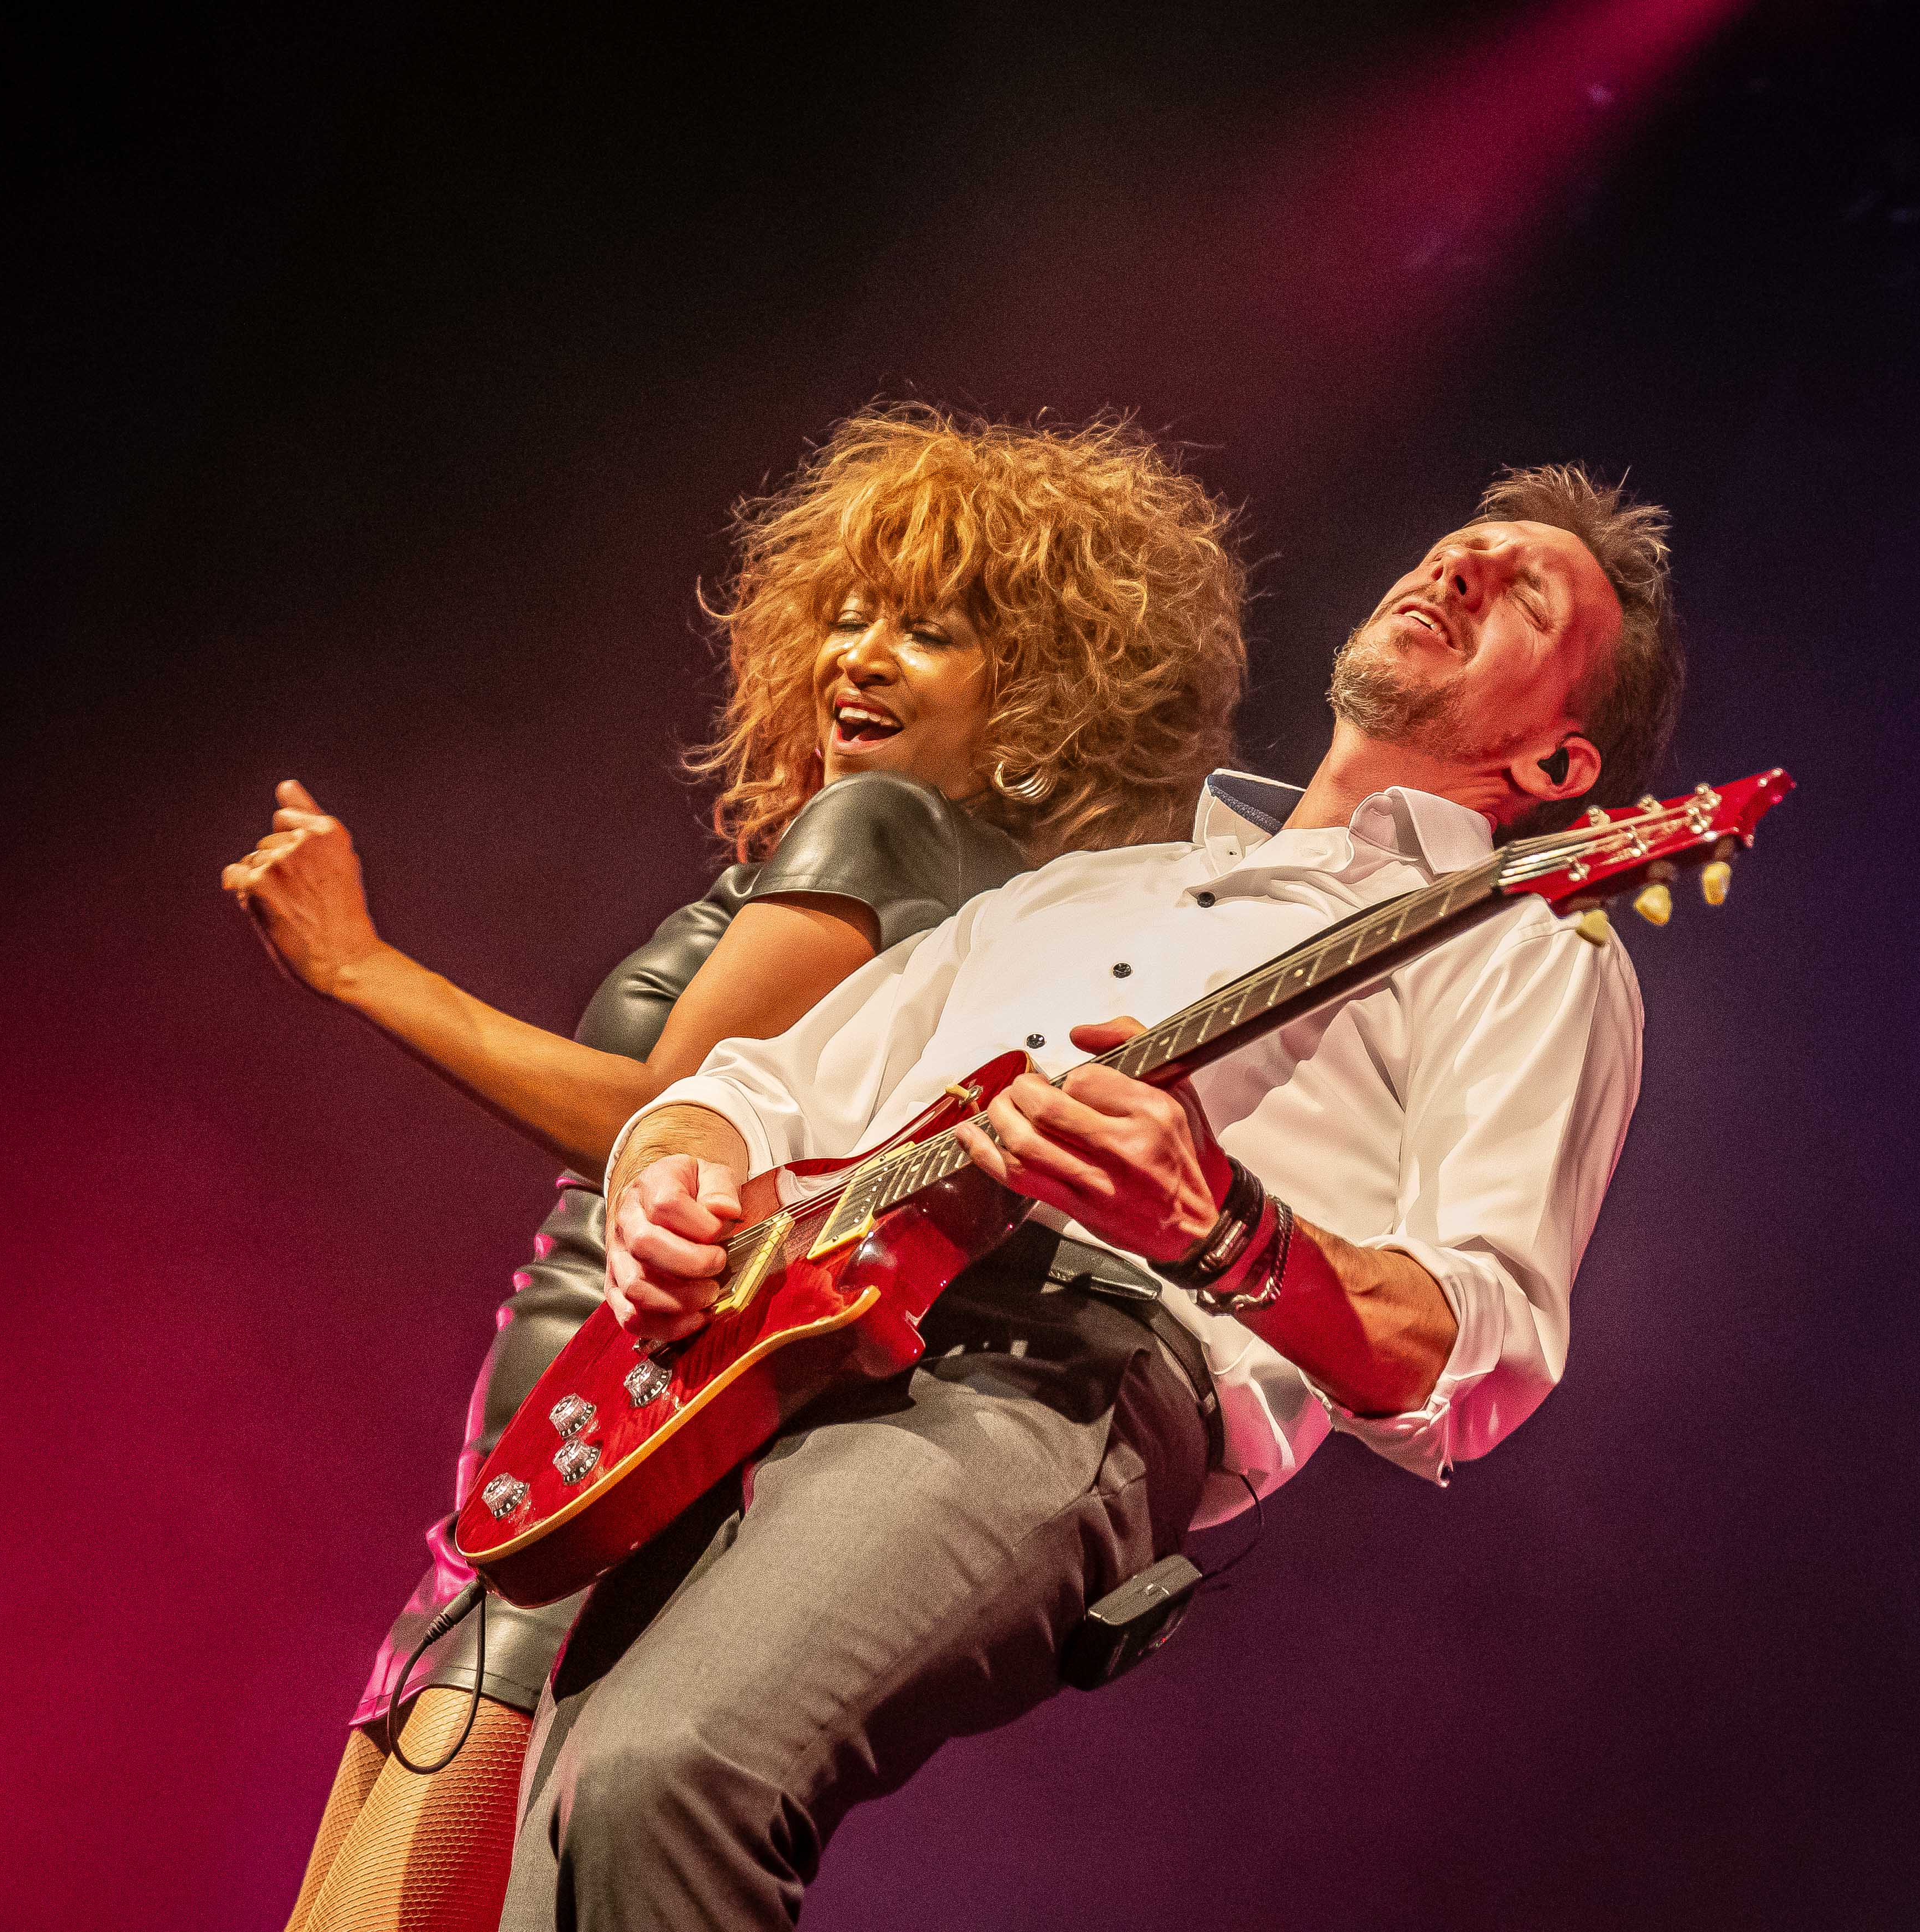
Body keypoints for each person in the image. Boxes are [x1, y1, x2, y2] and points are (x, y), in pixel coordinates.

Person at [506, 464, 1684, 1930]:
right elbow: (755, 1090)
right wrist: (667, 1184)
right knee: (550, 1853)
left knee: (667, 1775)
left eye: (1523, 594)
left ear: (1563, 769)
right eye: (1459, 545)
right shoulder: (1081, 888)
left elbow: (1479, 1349)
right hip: (767, 1346)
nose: (1460, 570)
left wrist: (1220, 1223)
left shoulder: (1526, 943)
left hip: (1057, 1372)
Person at [225, 406, 1250, 1932]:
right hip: (580, 1471)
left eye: (930, 631)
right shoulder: (975, 902)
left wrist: (360, 966)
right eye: (848, 615)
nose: (858, 656)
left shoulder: (887, 829)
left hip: (606, 1472)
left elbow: (662, 1116)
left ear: (1044, 696)